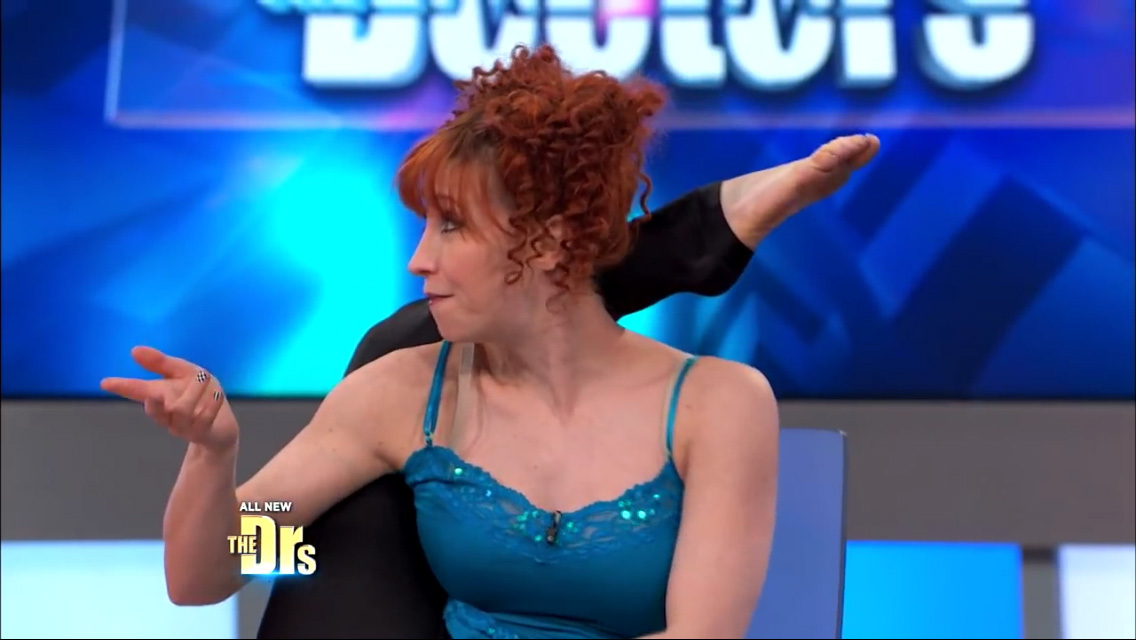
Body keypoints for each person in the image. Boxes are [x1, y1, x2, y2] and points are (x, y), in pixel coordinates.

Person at [102, 44, 880, 639]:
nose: (418, 260)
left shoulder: (719, 402)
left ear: (550, 239)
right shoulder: (398, 393)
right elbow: (208, 573)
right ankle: (709, 229)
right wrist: (213, 455)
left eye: (451, 227)